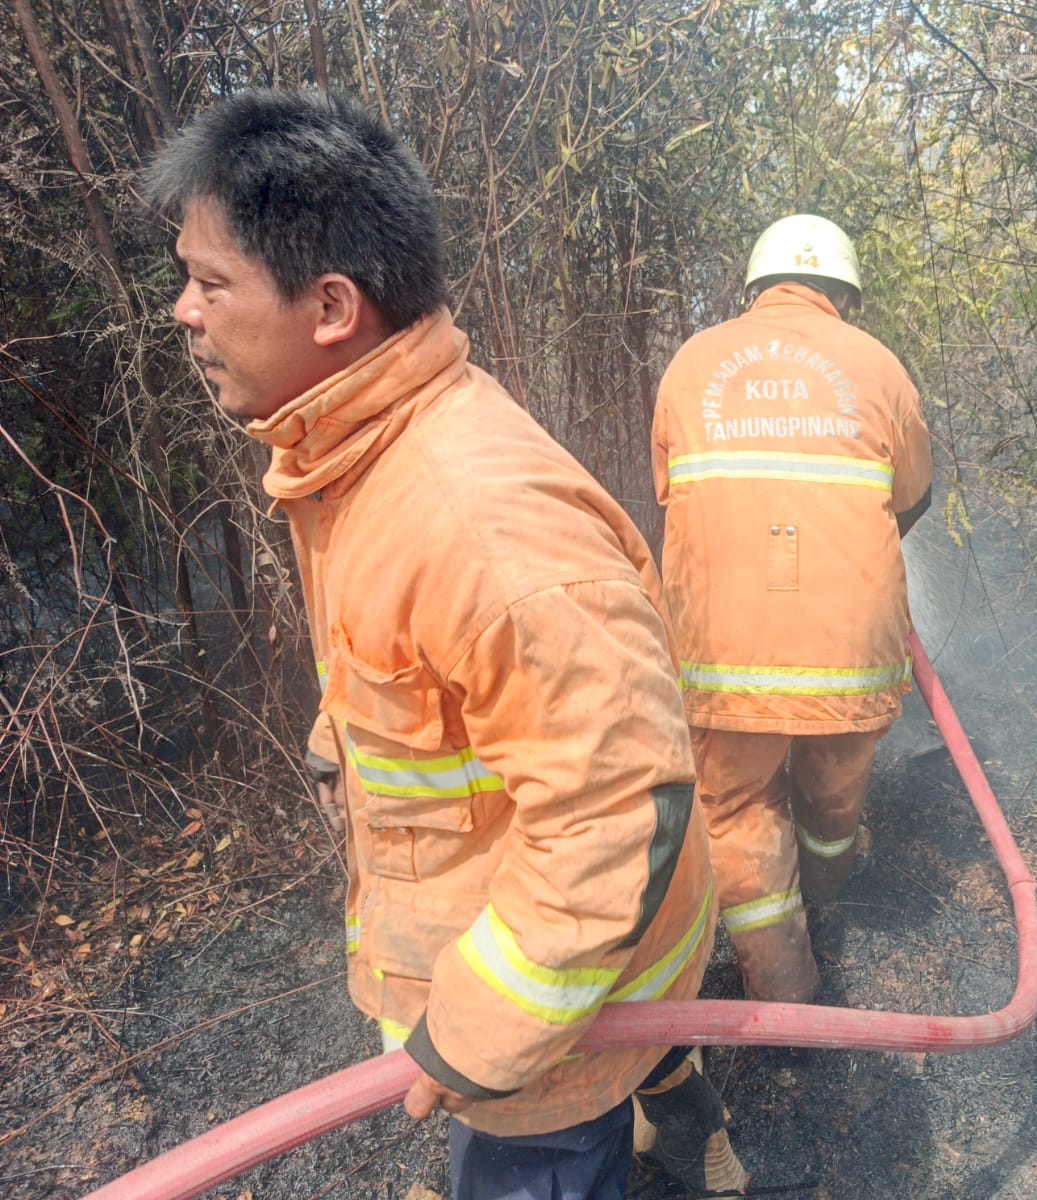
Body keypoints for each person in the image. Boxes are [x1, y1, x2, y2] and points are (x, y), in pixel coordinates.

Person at [144, 88, 745, 1199]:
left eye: (210, 283)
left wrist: (477, 1035)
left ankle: (656, 1131)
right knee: (638, 1072)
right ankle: (685, 1123)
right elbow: (419, 665)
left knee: (543, 1158)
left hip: (553, 1029)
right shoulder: (357, 458)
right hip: (578, 977)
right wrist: (347, 740)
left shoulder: (479, 525)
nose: (184, 311)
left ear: (332, 306)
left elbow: (618, 809)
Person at [650, 214, 933, 1004]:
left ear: (755, 287)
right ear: (844, 293)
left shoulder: (693, 363)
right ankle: (831, 893)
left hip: (722, 657)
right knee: (833, 796)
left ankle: (784, 988)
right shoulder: (878, 365)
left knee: (738, 810)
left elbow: (671, 490)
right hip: (849, 657)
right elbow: (912, 494)